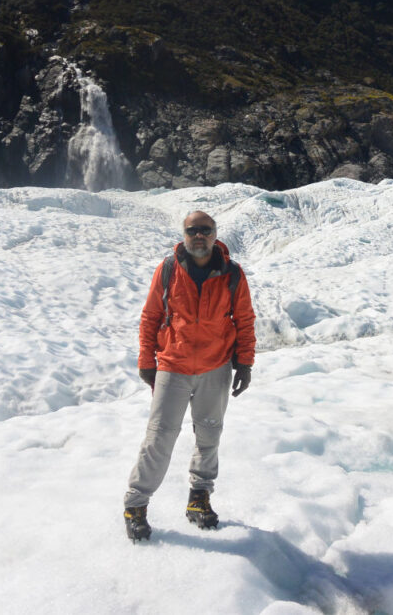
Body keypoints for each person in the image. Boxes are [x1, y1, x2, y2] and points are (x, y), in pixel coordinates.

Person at [123, 211, 256, 541]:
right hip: (173, 365)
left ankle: (199, 498)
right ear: (183, 235)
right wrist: (146, 360)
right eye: (192, 230)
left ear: (215, 235)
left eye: (205, 230)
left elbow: (245, 319)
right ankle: (135, 505)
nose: (199, 235)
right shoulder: (168, 270)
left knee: (209, 435)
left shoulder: (233, 274)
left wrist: (245, 363)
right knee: (159, 438)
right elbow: (151, 317)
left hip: (216, 367)